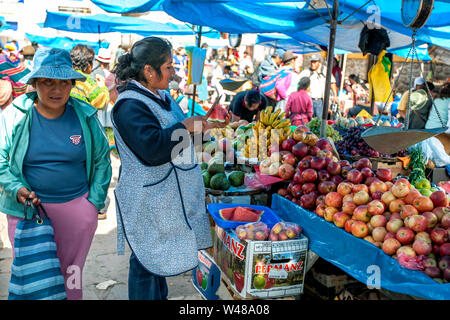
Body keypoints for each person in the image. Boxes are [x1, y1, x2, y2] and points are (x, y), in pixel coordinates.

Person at [111, 36, 230, 300]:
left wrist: (205, 128)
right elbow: (153, 149)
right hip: (147, 200)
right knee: (145, 265)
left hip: (164, 199)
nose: (174, 72)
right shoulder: (129, 105)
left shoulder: (161, 96)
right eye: (168, 67)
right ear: (148, 71)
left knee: (158, 265)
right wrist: (186, 126)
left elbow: (176, 138)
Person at [0, 47, 112, 300]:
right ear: (35, 83)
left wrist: (92, 204)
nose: (56, 89)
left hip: (77, 211)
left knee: (70, 276)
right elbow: (0, 160)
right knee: (34, 278)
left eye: (63, 82)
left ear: (72, 84)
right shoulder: (15, 115)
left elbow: (102, 160)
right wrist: (16, 188)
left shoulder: (85, 114)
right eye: (47, 82)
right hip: (27, 213)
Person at [69, 44, 110, 220]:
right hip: (84, 132)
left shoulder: (65, 78)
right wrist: (102, 86)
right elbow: (102, 102)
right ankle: (95, 204)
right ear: (88, 64)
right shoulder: (87, 81)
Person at [299, 53, 338, 118]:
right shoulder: (307, 72)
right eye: (312, 62)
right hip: (309, 100)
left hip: (320, 101)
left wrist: (335, 96)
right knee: (307, 119)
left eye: (315, 62)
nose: (312, 64)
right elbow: (299, 82)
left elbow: (332, 83)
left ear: (319, 63)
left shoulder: (325, 71)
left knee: (319, 120)